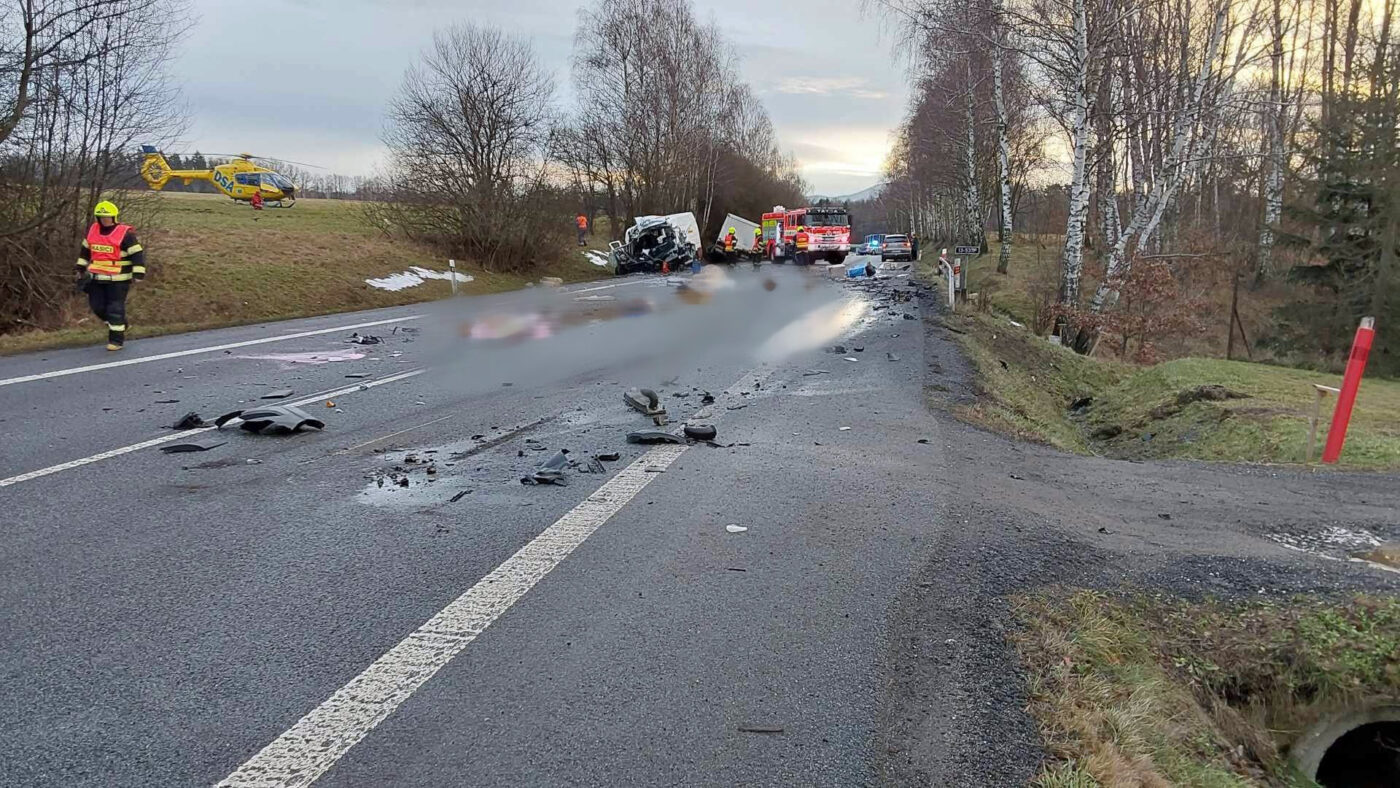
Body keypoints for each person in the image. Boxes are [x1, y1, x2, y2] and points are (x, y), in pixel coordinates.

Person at [77, 201, 146, 351]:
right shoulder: (93, 231)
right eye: (101, 217)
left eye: (107, 217)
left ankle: (116, 341)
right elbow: (85, 252)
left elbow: (137, 254)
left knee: (114, 308)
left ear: (114, 217)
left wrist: (138, 273)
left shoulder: (125, 234)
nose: (104, 220)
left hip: (118, 280)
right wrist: (80, 268)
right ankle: (121, 324)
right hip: (97, 278)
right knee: (97, 307)